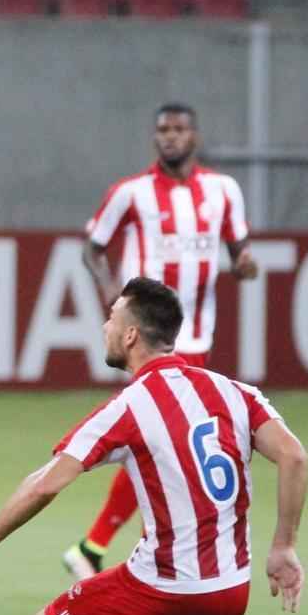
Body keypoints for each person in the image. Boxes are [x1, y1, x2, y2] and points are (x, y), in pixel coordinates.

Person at [0, 277, 308, 615]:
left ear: (129, 335)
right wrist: (284, 547)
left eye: (110, 318)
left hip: (168, 589)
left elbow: (47, 481)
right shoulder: (233, 392)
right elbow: (295, 457)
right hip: (229, 593)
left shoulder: (130, 406)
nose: (105, 327)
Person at [63, 102, 262, 580]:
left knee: (157, 439)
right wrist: (110, 286)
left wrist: (246, 265)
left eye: (179, 129)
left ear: (194, 136)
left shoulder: (222, 191)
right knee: (158, 439)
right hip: (151, 339)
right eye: (163, 130)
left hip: (197, 333)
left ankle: (96, 548)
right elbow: (92, 247)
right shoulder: (131, 193)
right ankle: (101, 544)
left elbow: (240, 252)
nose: (170, 137)